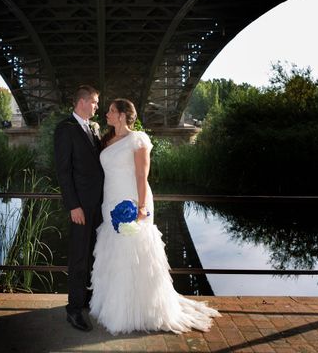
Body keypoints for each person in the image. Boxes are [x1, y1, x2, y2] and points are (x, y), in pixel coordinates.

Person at [89, 98, 220, 335]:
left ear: (121, 115)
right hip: (110, 201)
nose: (106, 114)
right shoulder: (108, 140)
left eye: (110, 111)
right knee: (114, 252)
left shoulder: (138, 139)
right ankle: (114, 305)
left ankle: (137, 312)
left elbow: (141, 175)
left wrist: (140, 208)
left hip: (131, 200)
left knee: (134, 252)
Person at [54, 85, 104, 332]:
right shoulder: (66, 129)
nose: (97, 106)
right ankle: (73, 309)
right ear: (82, 102)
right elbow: (63, 172)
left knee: (93, 254)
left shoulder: (93, 127)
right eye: (94, 102)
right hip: (81, 207)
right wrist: (73, 205)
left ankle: (84, 301)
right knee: (78, 257)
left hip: (98, 206)